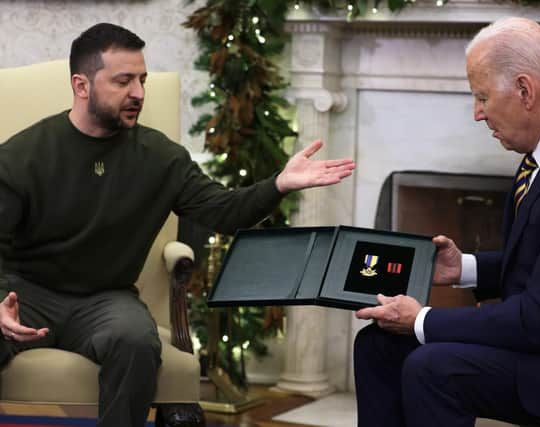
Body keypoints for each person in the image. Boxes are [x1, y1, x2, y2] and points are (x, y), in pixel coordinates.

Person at [0, 23, 354, 427]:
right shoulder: (22, 155)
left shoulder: (161, 158)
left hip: (105, 299)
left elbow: (225, 211)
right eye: (123, 80)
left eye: (142, 79)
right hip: (24, 293)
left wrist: (279, 184)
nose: (138, 92)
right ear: (82, 86)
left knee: (136, 342)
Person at [354, 17, 540, 427]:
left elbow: (538, 319)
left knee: (434, 367)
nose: (477, 113)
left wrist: (421, 319)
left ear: (525, 90)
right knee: (378, 344)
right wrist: (465, 269)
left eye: (482, 97)